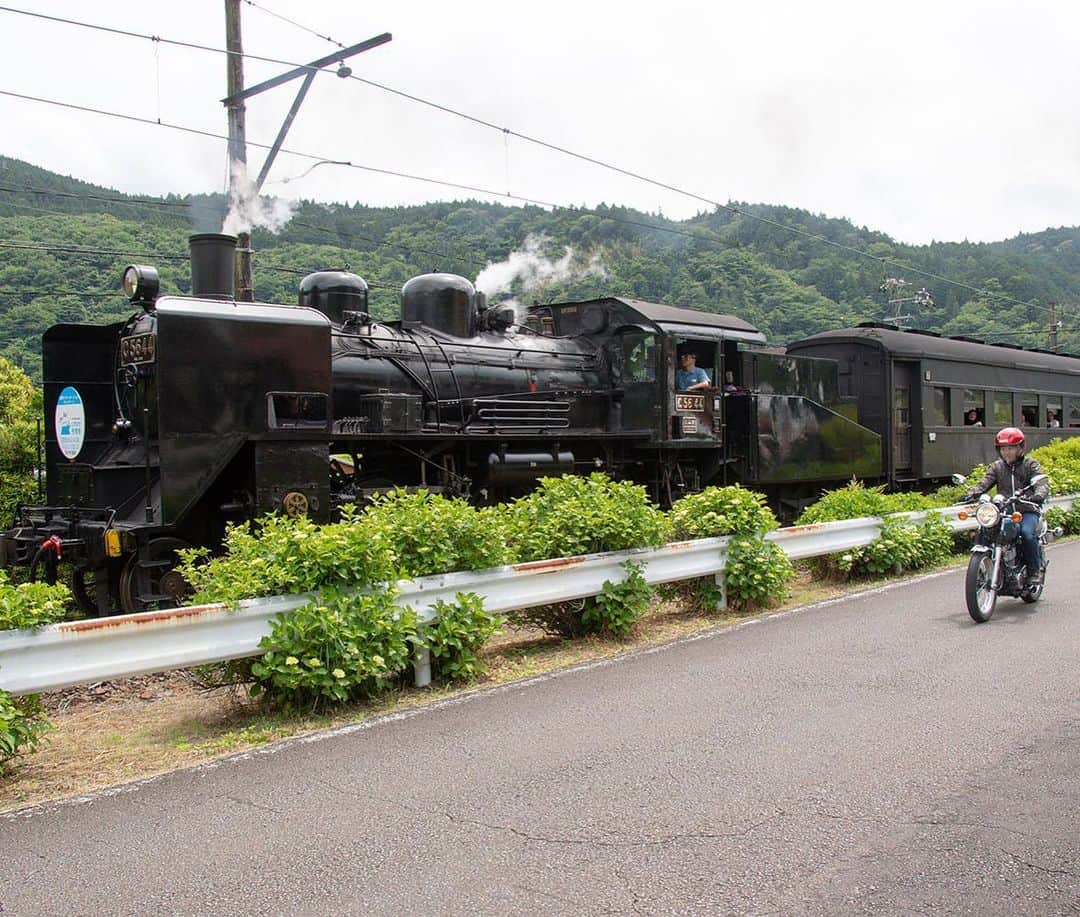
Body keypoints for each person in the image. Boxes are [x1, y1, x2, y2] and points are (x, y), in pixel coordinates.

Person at [964, 427, 1050, 585]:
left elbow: (1041, 483)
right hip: (1004, 512)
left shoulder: (1031, 465)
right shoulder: (997, 467)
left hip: (1027, 510)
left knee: (1026, 534)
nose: (1006, 452)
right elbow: (984, 483)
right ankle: (982, 571)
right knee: (985, 531)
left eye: (1010, 448)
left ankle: (1034, 570)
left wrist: (1038, 495)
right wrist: (971, 494)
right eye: (1003, 449)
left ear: (1020, 448)